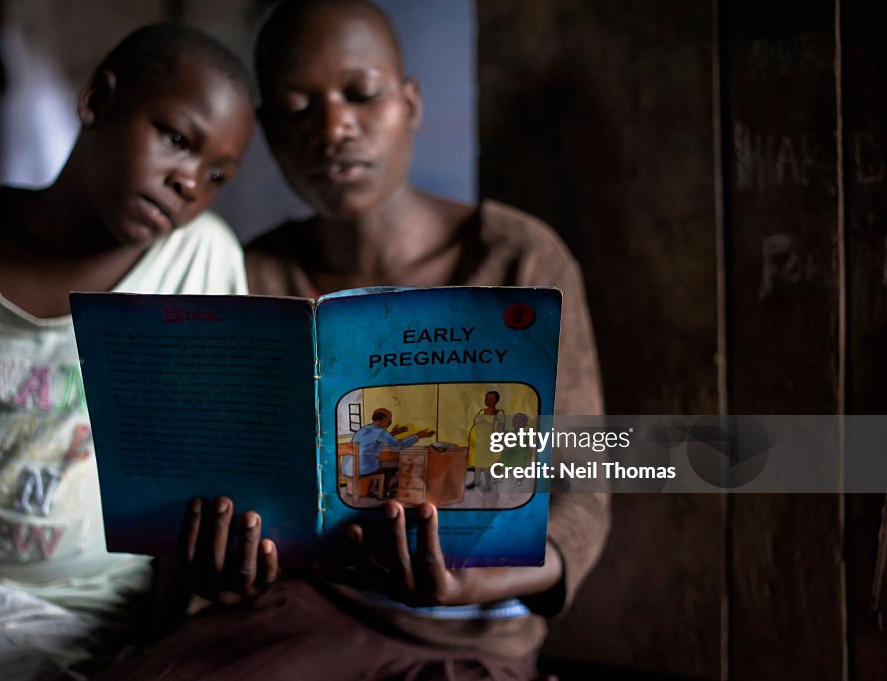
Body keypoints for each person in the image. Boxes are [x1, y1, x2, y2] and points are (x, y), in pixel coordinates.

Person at [100, 2, 610, 680]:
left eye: (362, 94)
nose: (333, 128)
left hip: (475, 633)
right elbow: (215, 491)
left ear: (411, 103)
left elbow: (584, 488)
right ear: (271, 135)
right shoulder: (251, 279)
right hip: (297, 612)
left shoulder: (517, 260)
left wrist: (469, 583)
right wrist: (223, 566)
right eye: (294, 108)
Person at [0, 23, 255, 679]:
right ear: (97, 101)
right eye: (178, 139)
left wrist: (153, 635)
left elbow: (201, 468)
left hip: (81, 625)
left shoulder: (201, 260)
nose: (190, 182)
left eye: (216, 174)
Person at [346, 407, 435, 499]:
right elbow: (399, 445)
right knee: (396, 465)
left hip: (348, 467)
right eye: (389, 419)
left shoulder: (364, 430)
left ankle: (375, 489)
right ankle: (383, 493)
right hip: (361, 469)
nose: (390, 421)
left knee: (380, 463)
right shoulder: (380, 431)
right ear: (384, 419)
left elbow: (378, 439)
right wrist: (418, 436)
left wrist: (394, 433)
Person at [468, 390, 507, 491]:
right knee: (477, 463)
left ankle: (488, 484)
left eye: (491, 398)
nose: (488, 400)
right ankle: (476, 482)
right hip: (477, 441)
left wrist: (499, 441)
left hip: (489, 442)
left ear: (496, 400)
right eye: (487, 398)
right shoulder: (481, 412)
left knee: (487, 465)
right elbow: (476, 425)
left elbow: (501, 429)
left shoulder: (499, 414)